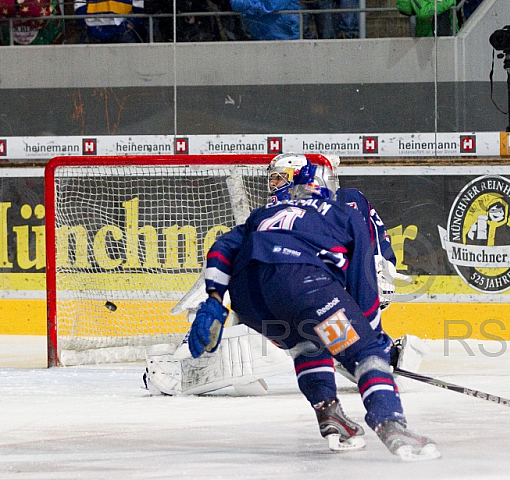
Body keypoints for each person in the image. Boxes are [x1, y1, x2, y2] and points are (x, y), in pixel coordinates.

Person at [187, 162, 440, 460]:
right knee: (365, 351)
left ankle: (329, 413)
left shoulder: (264, 214)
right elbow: (363, 280)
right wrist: (373, 337)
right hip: (303, 284)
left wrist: (215, 299)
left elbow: (221, 248)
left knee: (307, 342)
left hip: (250, 299)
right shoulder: (343, 213)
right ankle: (390, 422)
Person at [143, 154, 420, 396]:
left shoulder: (342, 203)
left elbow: (368, 240)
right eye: (272, 178)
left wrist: (380, 267)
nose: (274, 184)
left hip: (330, 292)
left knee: (335, 340)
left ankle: (377, 355)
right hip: (291, 296)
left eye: (280, 178)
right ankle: (191, 354)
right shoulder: (269, 214)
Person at [74, 0, 148, 43]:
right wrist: (85, 22)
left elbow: (139, 6)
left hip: (123, 30)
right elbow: (79, 4)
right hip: (93, 30)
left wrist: (130, 22)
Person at [230, 0, 299, 40]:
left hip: (286, 37)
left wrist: (248, 6)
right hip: (257, 38)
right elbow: (236, 3)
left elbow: (270, 5)